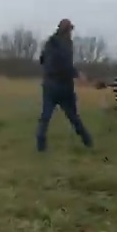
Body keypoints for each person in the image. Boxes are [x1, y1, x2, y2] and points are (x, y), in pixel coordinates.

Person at [36, 19, 93, 152]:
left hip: (49, 85)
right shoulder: (66, 44)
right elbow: (66, 65)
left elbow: (41, 60)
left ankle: (40, 145)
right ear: (67, 31)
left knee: (45, 116)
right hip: (63, 86)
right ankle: (87, 140)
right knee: (73, 116)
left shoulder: (49, 42)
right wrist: (77, 74)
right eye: (70, 30)